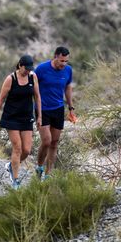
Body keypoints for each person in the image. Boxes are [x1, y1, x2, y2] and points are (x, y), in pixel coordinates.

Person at [0, 55, 42, 190]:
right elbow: (0, 99)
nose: (27, 71)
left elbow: (37, 97)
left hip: (26, 117)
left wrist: (39, 116)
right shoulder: (11, 79)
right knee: (17, 148)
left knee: (26, 150)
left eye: (30, 68)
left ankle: (11, 165)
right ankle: (15, 180)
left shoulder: (33, 77)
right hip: (11, 117)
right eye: (26, 68)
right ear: (20, 65)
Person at [34, 46, 74, 180]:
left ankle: (48, 174)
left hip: (58, 109)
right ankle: (39, 166)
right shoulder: (41, 69)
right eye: (62, 61)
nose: (64, 64)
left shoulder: (68, 70)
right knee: (46, 141)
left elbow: (68, 87)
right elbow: (32, 87)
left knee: (54, 142)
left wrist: (71, 108)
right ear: (55, 56)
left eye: (66, 61)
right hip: (42, 109)